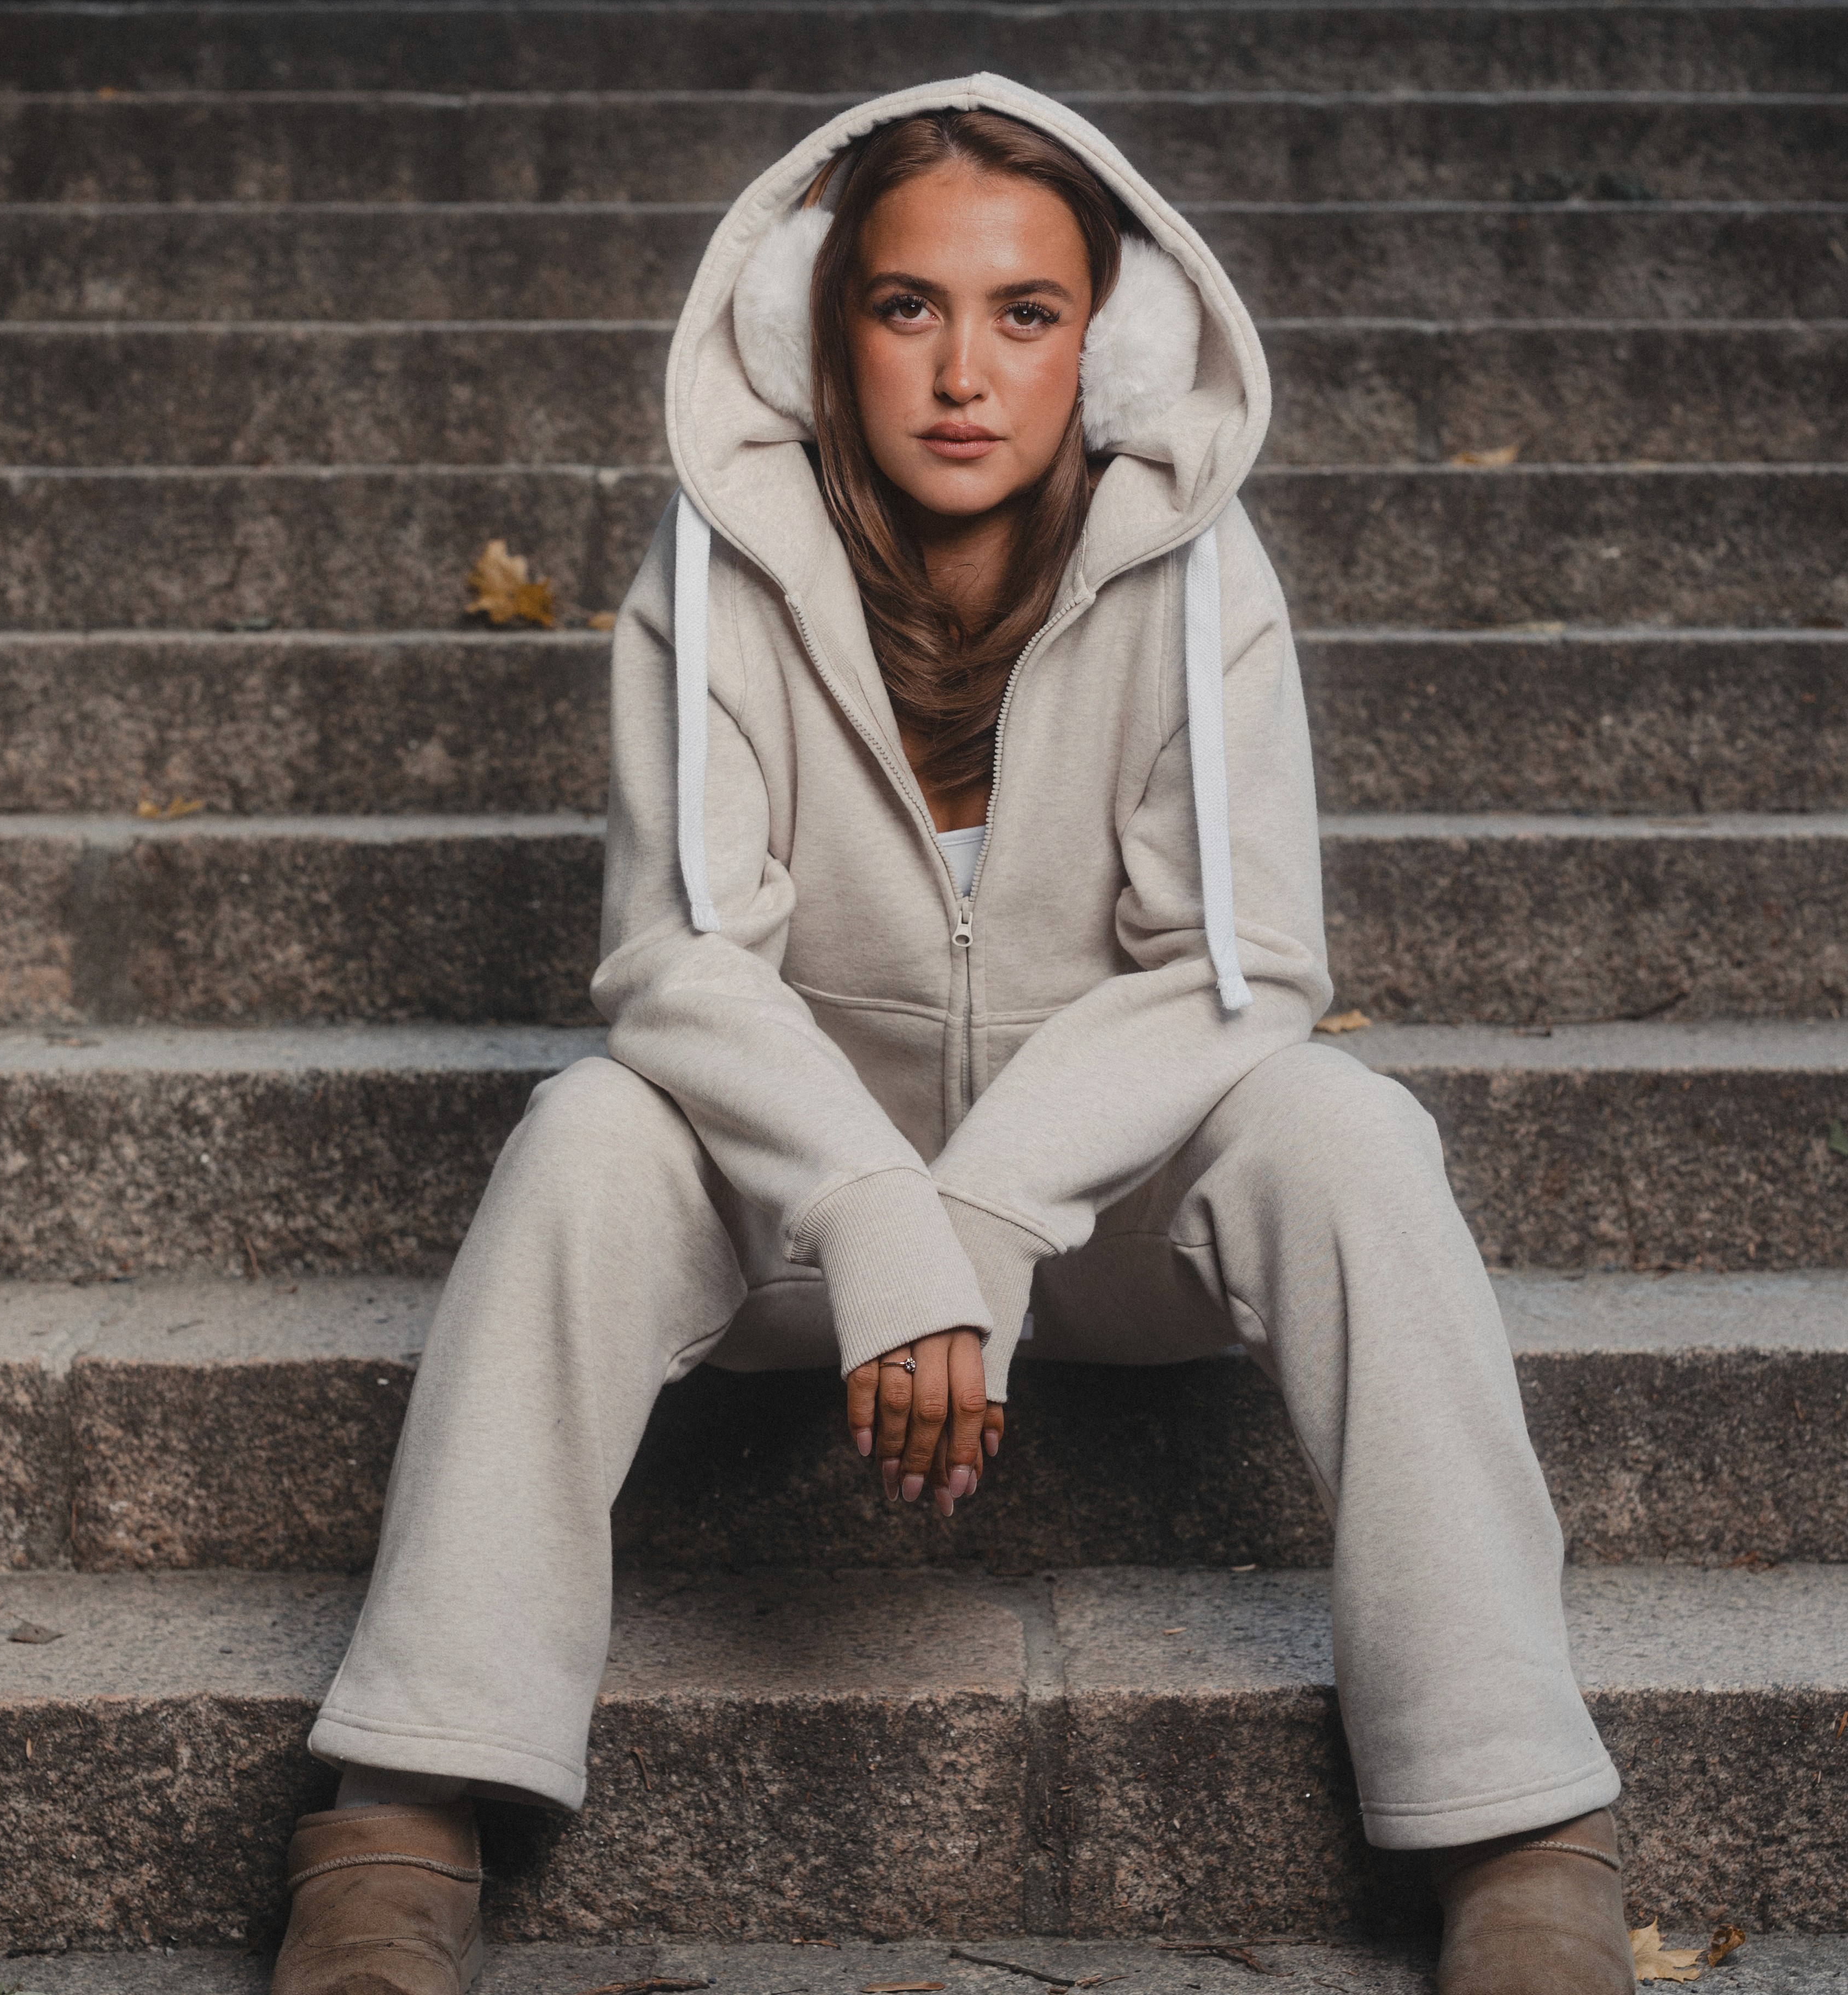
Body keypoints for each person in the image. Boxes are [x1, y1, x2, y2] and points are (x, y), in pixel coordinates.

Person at [266, 76, 1631, 1995]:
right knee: (587, 1130)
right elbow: (675, 957)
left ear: (1116, 343)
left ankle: (1515, 1820)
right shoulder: (715, 573)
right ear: (821, 330)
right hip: (799, 1246)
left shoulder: (1206, 583)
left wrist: (980, 1213)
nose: (965, 371)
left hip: (1097, 1236)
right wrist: (869, 1208)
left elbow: (1245, 971)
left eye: (1027, 313)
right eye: (909, 308)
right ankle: (401, 1805)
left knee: (1342, 1129)